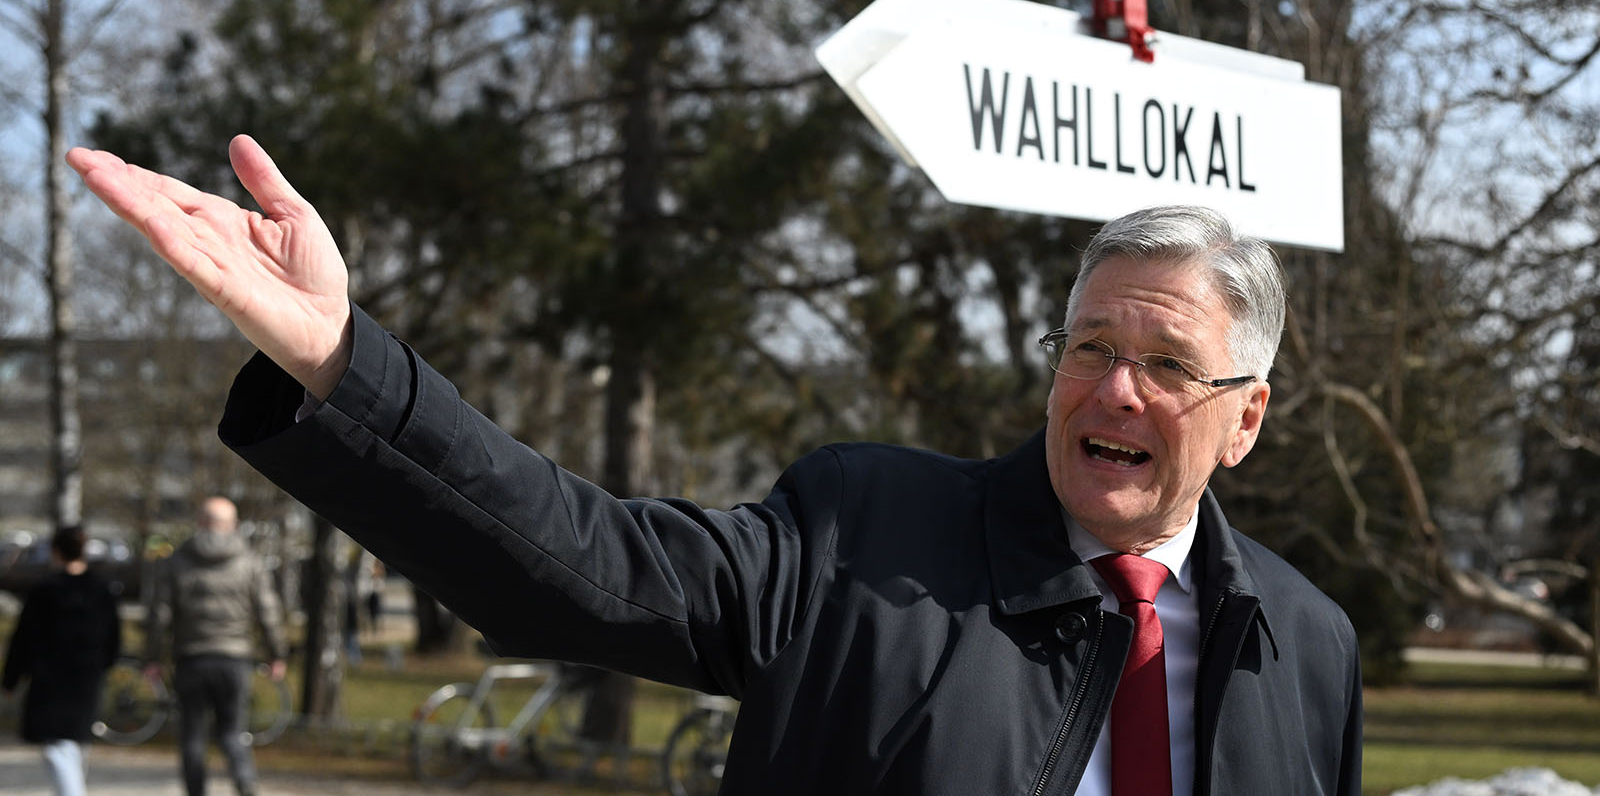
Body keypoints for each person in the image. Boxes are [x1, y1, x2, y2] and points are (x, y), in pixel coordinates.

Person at [69, 136, 1362, 794]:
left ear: (1245, 418)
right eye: (1088, 345)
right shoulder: (865, 534)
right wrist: (347, 368)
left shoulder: (1308, 645)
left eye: (1168, 365)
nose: (1114, 389)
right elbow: (576, 565)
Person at [145, 496, 287, 796]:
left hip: (191, 659)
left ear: (199, 522)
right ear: (232, 525)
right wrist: (277, 653)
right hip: (234, 659)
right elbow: (268, 611)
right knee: (232, 732)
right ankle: (246, 782)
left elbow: (160, 615)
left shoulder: (176, 562)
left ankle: (196, 792)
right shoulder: (250, 561)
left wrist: (153, 657)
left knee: (192, 736)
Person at [1, 525, 122, 796]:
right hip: (85, 678)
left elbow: (23, 639)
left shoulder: (45, 591)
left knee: (58, 746)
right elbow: (114, 637)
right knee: (75, 744)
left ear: (55, 552)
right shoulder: (100, 590)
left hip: (50, 679)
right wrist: (105, 665)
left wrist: (11, 678)